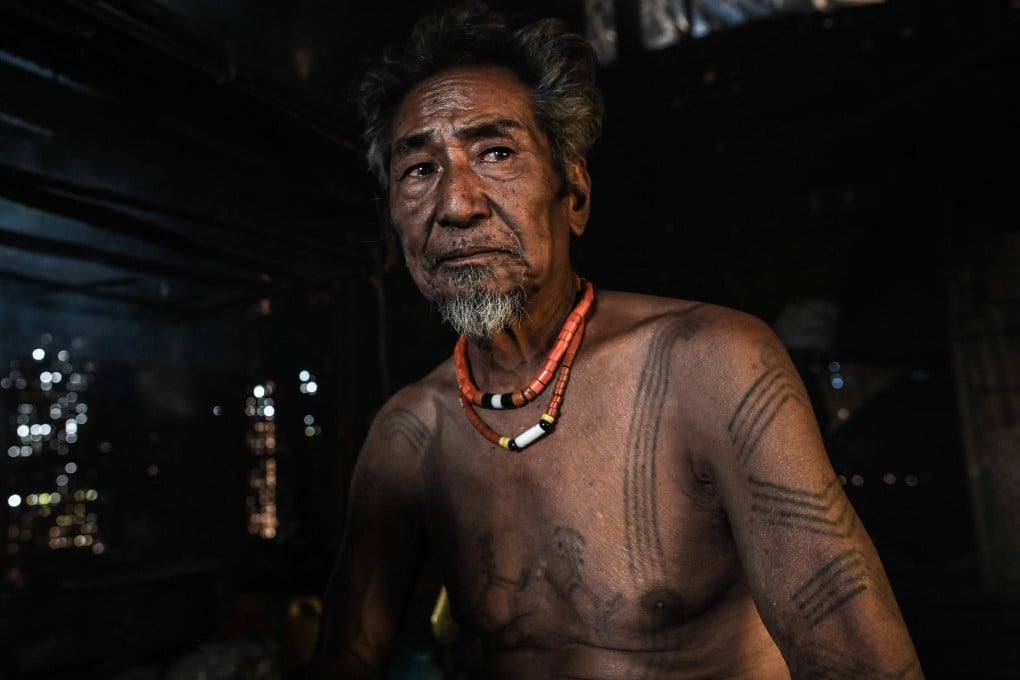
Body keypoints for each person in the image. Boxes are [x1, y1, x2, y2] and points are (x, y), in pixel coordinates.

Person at [309, 3, 923, 678]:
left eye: (496, 153)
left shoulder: (711, 365)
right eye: (419, 170)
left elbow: (860, 665)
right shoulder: (406, 438)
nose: (457, 204)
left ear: (572, 195)